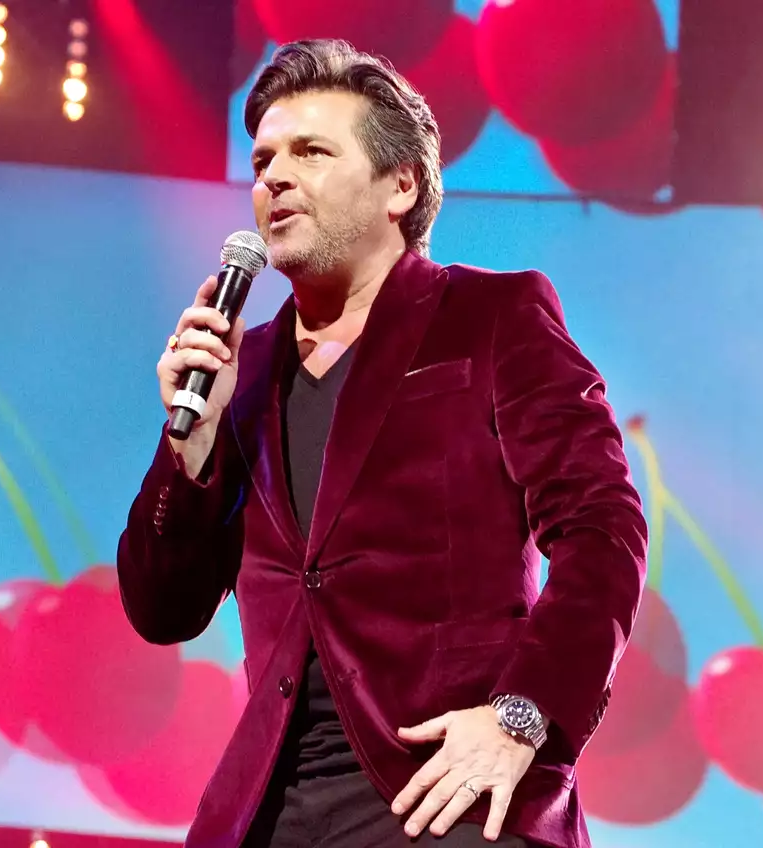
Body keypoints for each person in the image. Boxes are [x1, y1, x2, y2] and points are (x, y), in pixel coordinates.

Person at [117, 38, 648, 848]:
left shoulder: (491, 319)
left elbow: (603, 530)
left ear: (400, 185)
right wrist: (189, 449)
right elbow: (164, 611)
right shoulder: (241, 369)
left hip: (447, 799)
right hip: (274, 811)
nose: (274, 177)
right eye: (262, 160)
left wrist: (525, 714)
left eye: (311, 152)